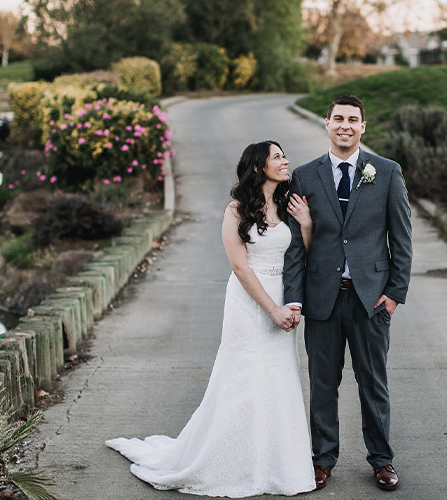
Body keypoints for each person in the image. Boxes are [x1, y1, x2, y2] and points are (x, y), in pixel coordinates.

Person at [105, 141, 317, 498]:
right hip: (250, 303)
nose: (285, 161)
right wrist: (272, 309)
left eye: (284, 156)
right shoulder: (235, 211)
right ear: (257, 167)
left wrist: (306, 225)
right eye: (277, 157)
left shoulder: (287, 206)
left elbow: (299, 255)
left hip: (283, 296)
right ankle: (228, 462)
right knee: (242, 378)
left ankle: (275, 463)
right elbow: (239, 266)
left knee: (279, 377)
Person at [283, 94, 413, 491]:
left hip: (370, 300)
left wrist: (394, 294)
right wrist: (294, 297)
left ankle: (382, 461)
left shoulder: (386, 172)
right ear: (326, 124)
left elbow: (402, 238)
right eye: (338, 118)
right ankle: (321, 460)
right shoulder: (305, 176)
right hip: (322, 297)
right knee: (323, 384)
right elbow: (293, 244)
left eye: (352, 120)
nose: (345, 125)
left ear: (362, 127)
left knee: (373, 382)